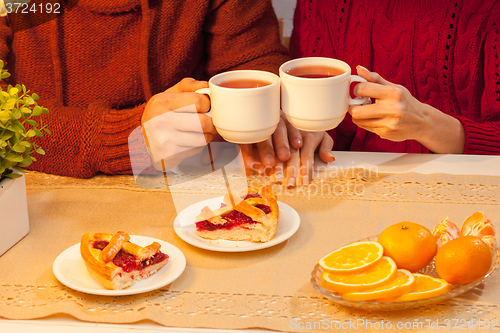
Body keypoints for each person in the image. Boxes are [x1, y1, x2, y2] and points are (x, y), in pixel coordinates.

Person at [0, 0, 334, 184]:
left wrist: (270, 106)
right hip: (33, 196)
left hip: (192, 183)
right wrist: (124, 139)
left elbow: (253, 58)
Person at [290, 0, 500, 155]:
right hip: (346, 176)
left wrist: (427, 125)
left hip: (466, 180)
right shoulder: (320, 5)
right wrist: (310, 133)